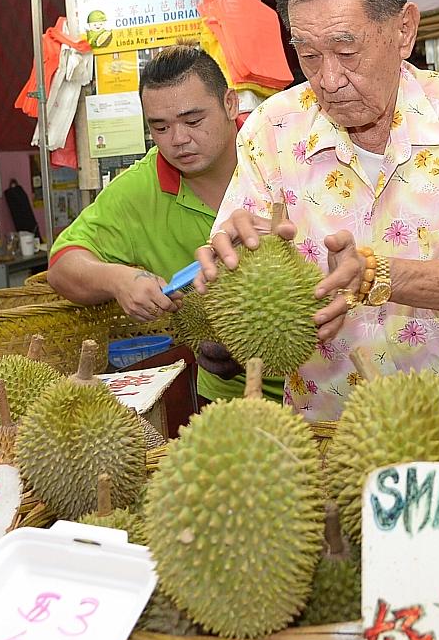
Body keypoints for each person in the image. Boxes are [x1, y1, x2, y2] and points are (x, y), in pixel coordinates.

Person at [193, 0, 439, 436]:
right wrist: (227, 293)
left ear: (403, 30)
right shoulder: (272, 128)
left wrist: (373, 274)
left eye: (346, 50)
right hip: (332, 436)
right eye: (307, 55)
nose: (327, 79)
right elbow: (236, 287)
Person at [48, 45, 280, 405]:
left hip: (329, 382)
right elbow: (62, 264)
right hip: (231, 407)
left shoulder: (281, 147)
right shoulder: (139, 191)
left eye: (193, 120)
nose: (178, 139)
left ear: (230, 104)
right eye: (160, 127)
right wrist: (118, 280)